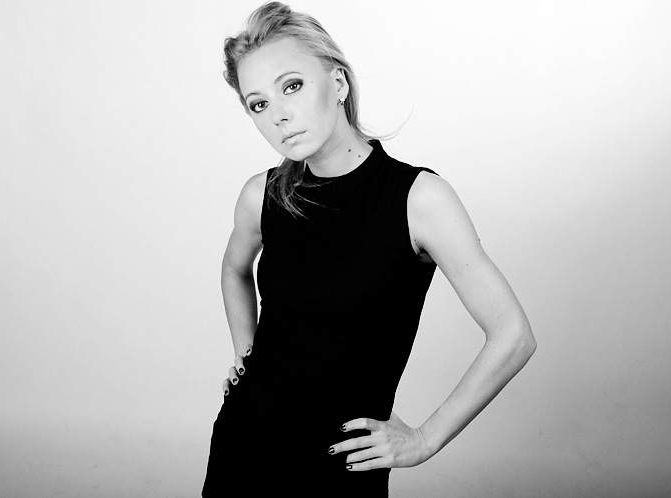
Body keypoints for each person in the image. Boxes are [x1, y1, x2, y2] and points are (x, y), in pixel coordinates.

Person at [202, 2, 536, 496]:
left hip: (340, 463)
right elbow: (234, 269)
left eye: (292, 86)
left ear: (338, 83)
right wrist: (244, 350)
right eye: (259, 104)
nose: (280, 116)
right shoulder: (262, 195)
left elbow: (513, 335)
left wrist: (424, 440)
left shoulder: (418, 199)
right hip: (244, 444)